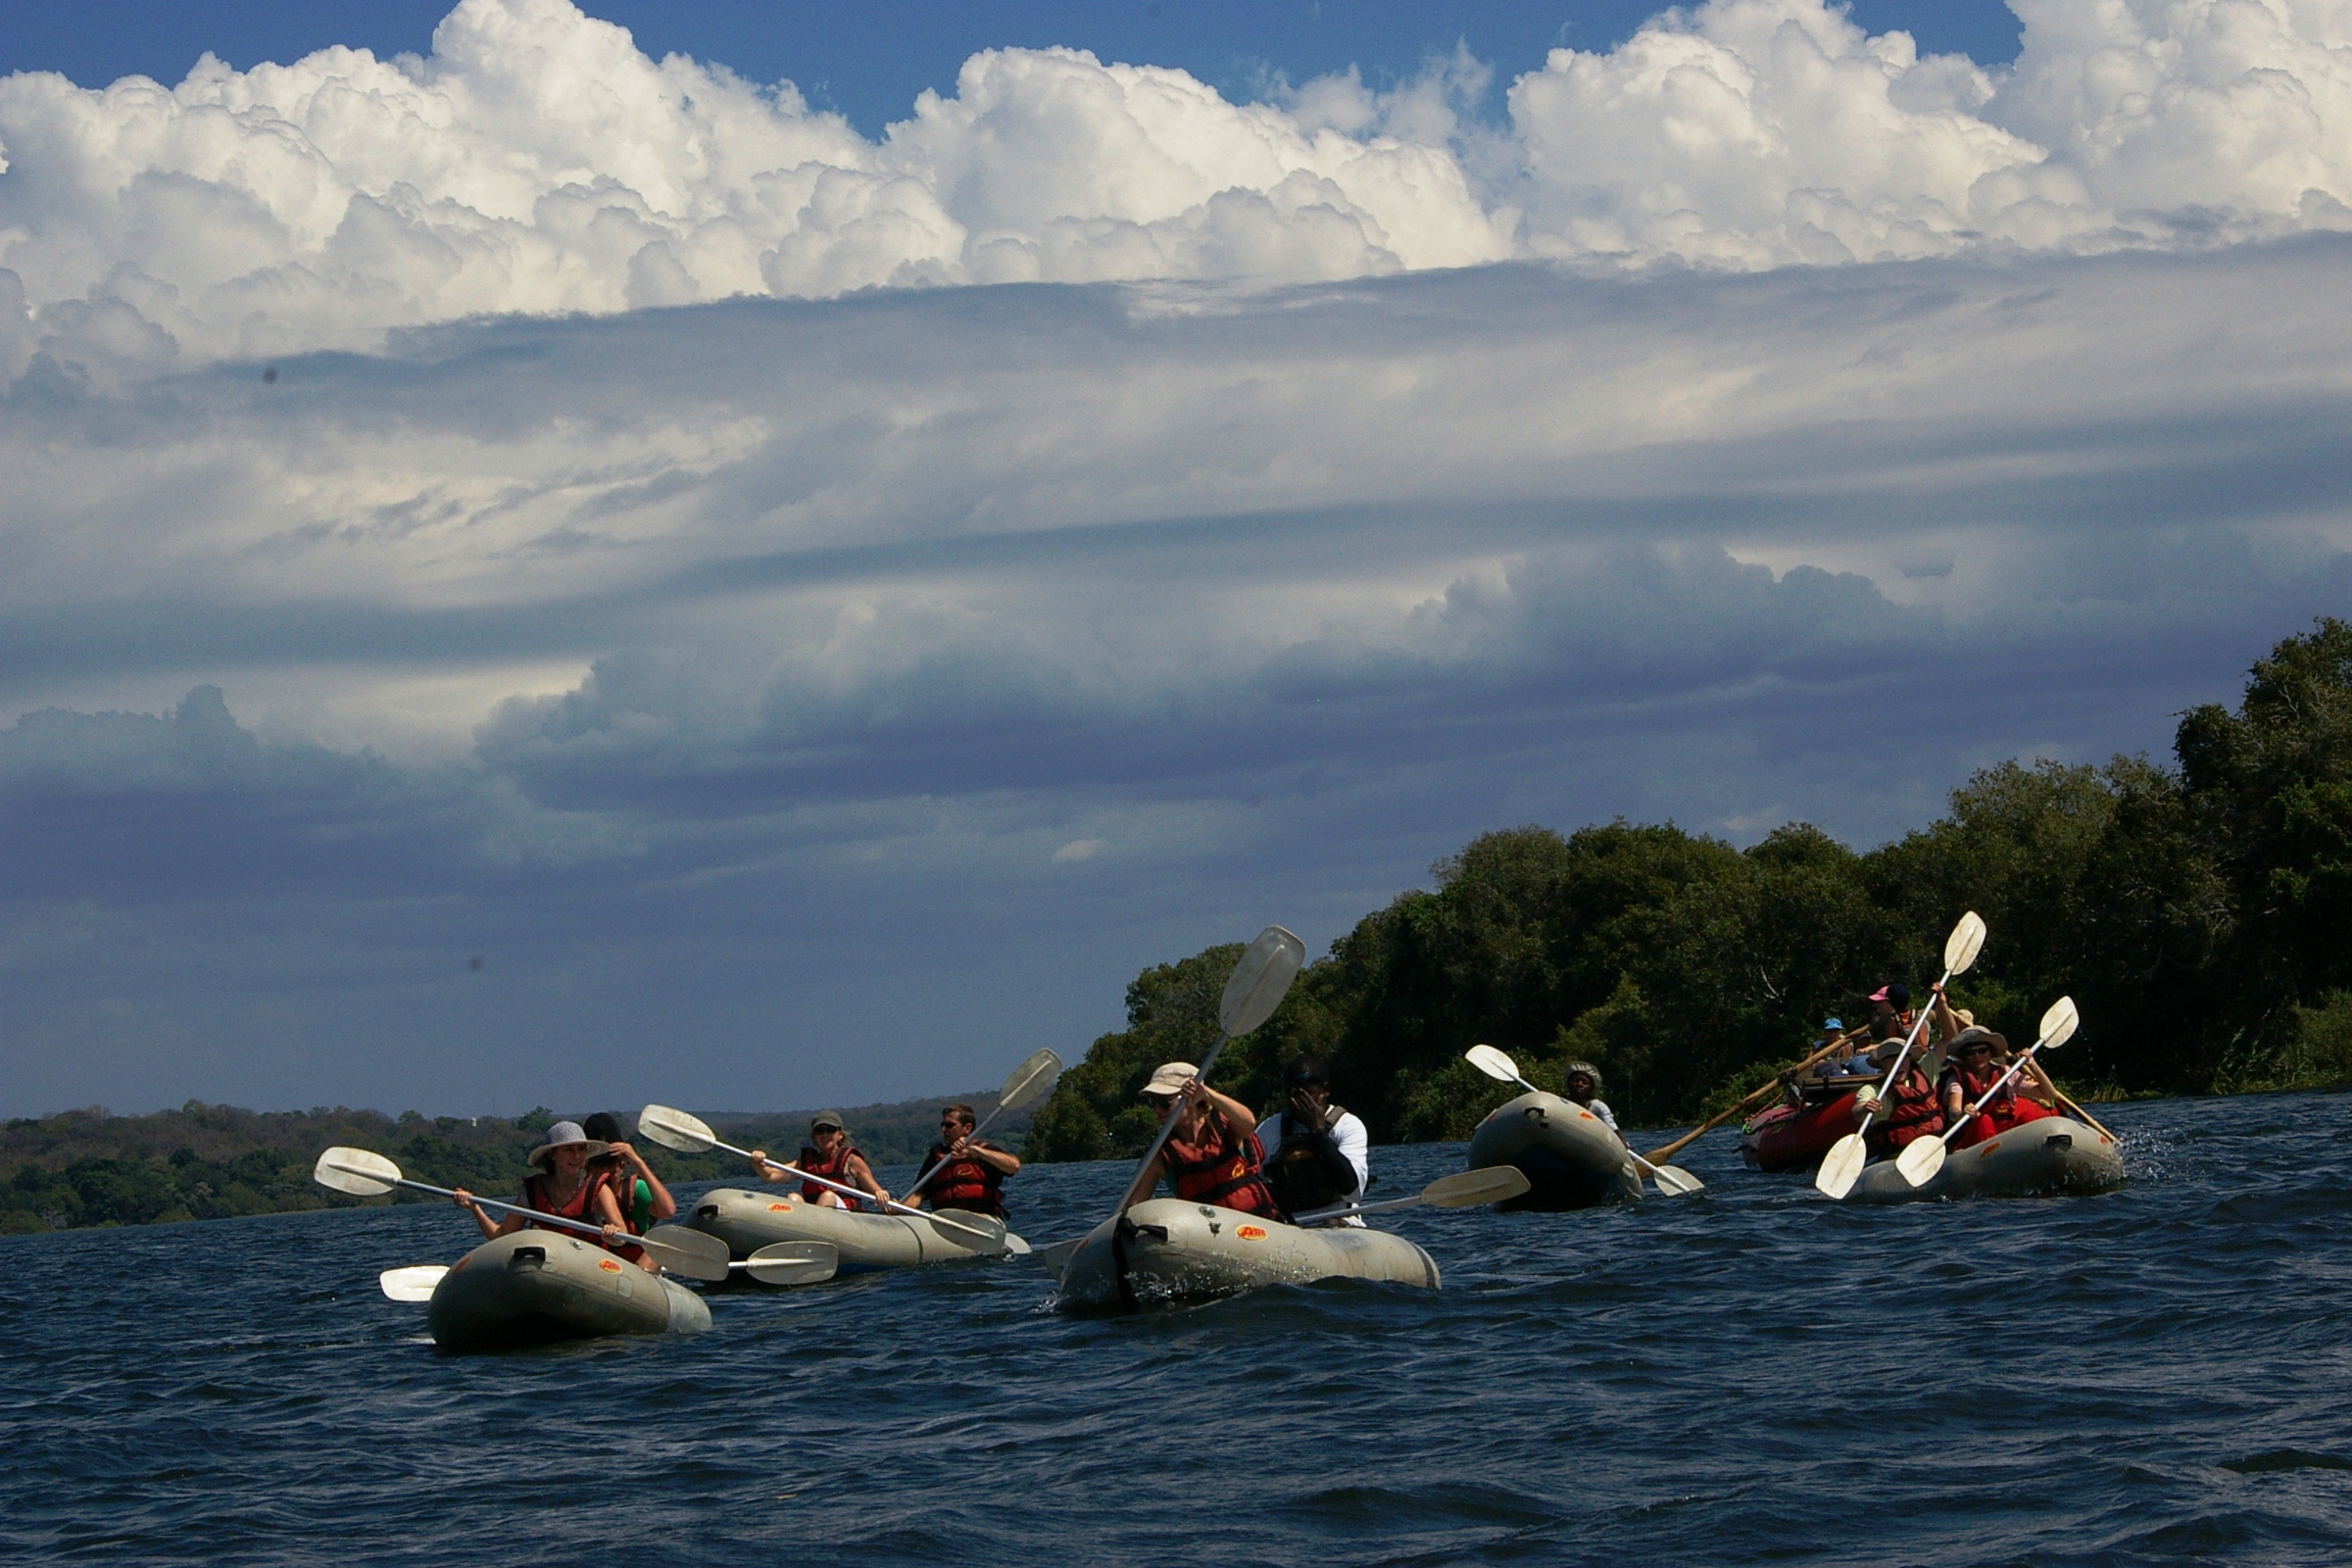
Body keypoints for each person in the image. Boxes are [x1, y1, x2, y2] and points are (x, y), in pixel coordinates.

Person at [451, 1119, 650, 1270]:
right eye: (569, 1150)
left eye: (581, 1149)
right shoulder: (532, 1190)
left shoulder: (597, 1188)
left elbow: (621, 1235)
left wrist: (612, 1233)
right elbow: (501, 1236)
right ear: (553, 1154)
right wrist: (475, 1209)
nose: (577, 1156)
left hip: (589, 1269)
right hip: (549, 1268)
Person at [1118, 1062, 1282, 1220]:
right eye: (1152, 1102)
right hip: (1214, 1235)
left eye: (1164, 1102)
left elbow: (1249, 1123)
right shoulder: (1159, 1156)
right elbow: (1133, 1207)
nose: (1157, 1109)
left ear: (1191, 1097)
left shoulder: (1225, 1126)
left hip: (1259, 1223)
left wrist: (1207, 1094)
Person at [1255, 1056, 1368, 1225]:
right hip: (1289, 1223)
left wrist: (1318, 1131)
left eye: (1305, 1085)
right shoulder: (1268, 1129)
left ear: (1325, 1090)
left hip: (1337, 1217)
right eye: (1290, 1086)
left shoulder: (1348, 1125)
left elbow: (1352, 1191)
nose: (1297, 1092)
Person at [1937, 1027, 2057, 1148]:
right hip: (1974, 1143)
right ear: (1965, 1057)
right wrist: (1963, 1113)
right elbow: (1954, 1111)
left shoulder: (2007, 1073)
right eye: (1970, 1052)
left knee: (2028, 1117)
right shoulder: (1957, 1078)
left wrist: (2033, 1065)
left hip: (2004, 1137)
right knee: (1984, 1121)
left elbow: (2050, 1094)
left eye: (1982, 1050)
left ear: (1991, 1053)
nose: (1977, 1056)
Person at [750, 1111, 890, 1210]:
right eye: (819, 1131)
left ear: (840, 1135)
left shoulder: (852, 1161)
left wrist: (880, 1194)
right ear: (814, 1137)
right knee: (793, 1197)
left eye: (830, 1130)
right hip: (815, 1218)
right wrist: (758, 1162)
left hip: (847, 1218)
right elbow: (771, 1175)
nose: (825, 1135)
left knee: (827, 1196)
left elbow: (875, 1191)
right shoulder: (806, 1162)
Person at [905, 1102, 1020, 1217]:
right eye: (943, 1125)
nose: (944, 1130)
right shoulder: (936, 1157)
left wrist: (974, 1151)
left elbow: (1014, 1166)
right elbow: (917, 1196)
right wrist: (897, 1206)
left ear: (967, 1128)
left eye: (950, 1125)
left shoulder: (984, 1152)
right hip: (946, 1222)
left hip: (983, 1219)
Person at [581, 1110, 676, 1237]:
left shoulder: (637, 1189)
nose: (604, 1179)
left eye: (610, 1171)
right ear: (587, 1168)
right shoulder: (579, 1192)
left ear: (622, 1166)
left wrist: (638, 1162)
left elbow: (667, 1211)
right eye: (598, 1171)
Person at [1852, 1034, 1943, 1160]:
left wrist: (1944, 1013)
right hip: (1898, 1156)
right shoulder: (1874, 1090)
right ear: (1882, 1065)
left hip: (1935, 1146)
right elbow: (1857, 1112)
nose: (1898, 1065)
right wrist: (1865, 1108)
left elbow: (1947, 1039)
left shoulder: (1925, 1071)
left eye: (1902, 1059)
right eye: (1891, 1061)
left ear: (1909, 1060)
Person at [1561, 1061, 1619, 1131]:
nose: (1579, 1084)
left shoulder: (1597, 1107)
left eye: (1585, 1082)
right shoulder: (1561, 1103)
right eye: (1575, 1080)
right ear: (1568, 1083)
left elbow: (1613, 1129)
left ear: (1591, 1088)